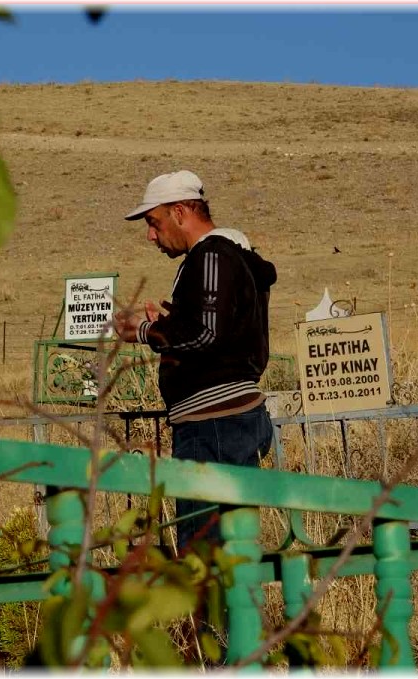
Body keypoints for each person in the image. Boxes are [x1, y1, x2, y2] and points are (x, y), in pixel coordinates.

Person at [113, 170, 277, 554]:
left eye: (154, 222)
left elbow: (206, 335)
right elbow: (217, 330)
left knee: (204, 553)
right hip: (223, 423)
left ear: (181, 212)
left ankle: (214, 618)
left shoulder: (211, 256)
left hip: (213, 427)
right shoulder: (227, 258)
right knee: (230, 546)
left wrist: (142, 331)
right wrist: (171, 325)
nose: (150, 235)